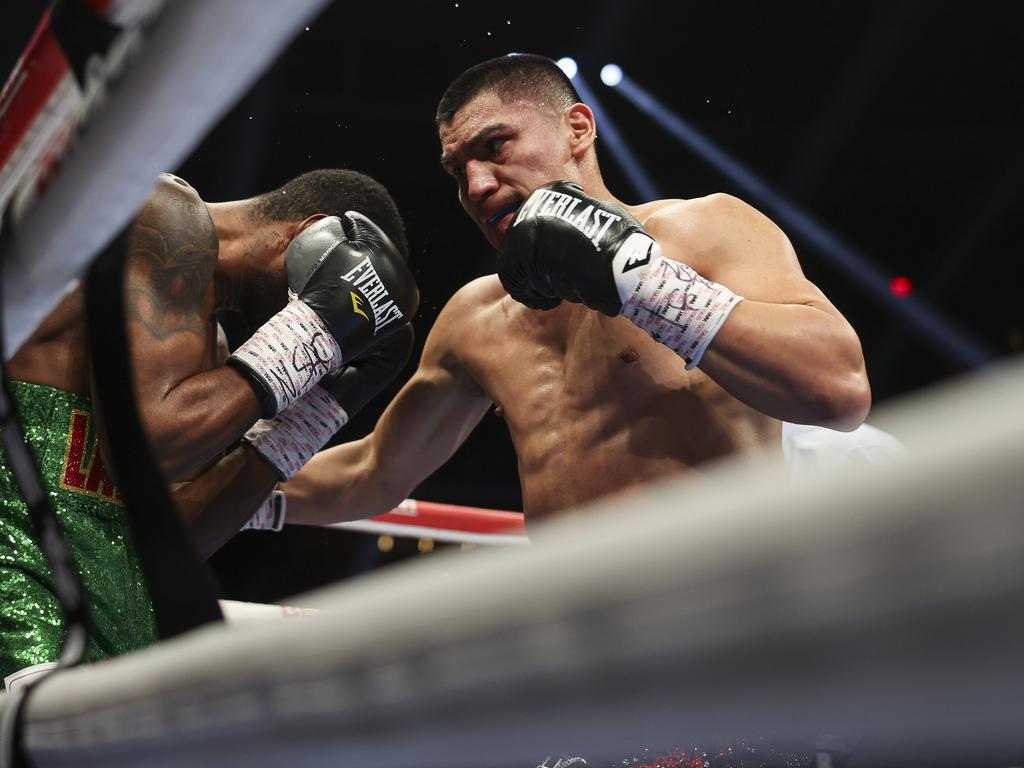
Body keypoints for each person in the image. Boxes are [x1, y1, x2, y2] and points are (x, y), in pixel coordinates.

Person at [273, 53, 870, 530]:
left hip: (729, 608)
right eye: (457, 172)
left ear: (577, 129)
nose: (477, 185)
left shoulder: (702, 231)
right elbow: (373, 471)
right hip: (589, 639)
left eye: (495, 146)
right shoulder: (476, 320)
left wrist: (642, 280)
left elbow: (838, 390)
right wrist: (223, 490)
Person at [0, 168, 418, 687]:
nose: (324, 364)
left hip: (114, 634)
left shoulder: (213, 361)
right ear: (313, 234)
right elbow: (150, 445)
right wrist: (317, 329)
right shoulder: (166, 211)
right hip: (18, 591)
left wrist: (309, 419)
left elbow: (169, 536)